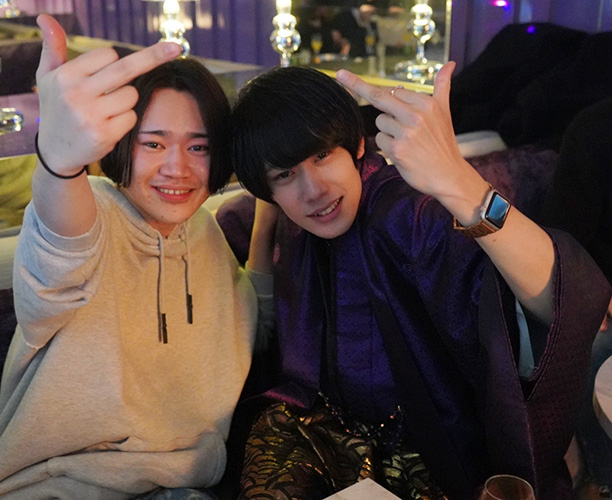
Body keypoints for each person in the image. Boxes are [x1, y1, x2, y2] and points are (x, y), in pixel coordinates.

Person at [226, 64, 611, 500]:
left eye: (322, 156)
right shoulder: (296, 228)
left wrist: (458, 181)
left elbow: (562, 303)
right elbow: (265, 326)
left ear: (356, 144)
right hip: (323, 429)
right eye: (284, 174)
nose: (314, 190)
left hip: (424, 450)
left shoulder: (408, 214)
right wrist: (265, 222)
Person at [0, 14, 271, 500]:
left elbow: (255, 327)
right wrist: (59, 161)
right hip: (55, 488)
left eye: (199, 147)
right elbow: (61, 246)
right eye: (154, 143)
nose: (177, 167)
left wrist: (271, 202)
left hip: (181, 487)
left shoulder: (202, 230)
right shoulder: (94, 212)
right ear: (119, 144)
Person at [540, 96, 612, 498]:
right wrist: (594, 292)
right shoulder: (595, 129)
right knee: (589, 342)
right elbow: (562, 240)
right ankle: (601, 479)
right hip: (602, 287)